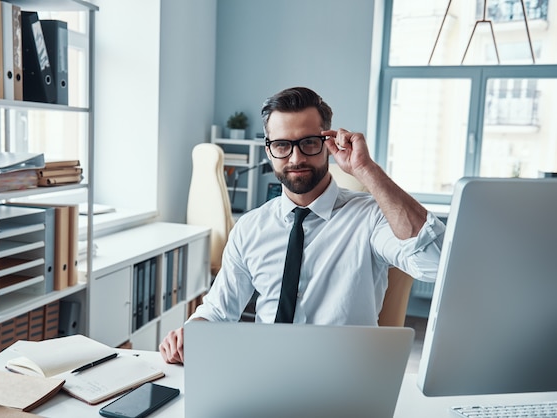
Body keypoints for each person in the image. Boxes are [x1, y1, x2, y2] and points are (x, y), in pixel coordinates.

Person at [160, 86, 445, 364]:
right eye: (282, 145)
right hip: (265, 378)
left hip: (345, 380)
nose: (296, 158)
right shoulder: (250, 228)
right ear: (269, 151)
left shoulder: (371, 217)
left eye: (309, 142)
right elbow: (218, 311)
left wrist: (366, 170)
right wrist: (190, 332)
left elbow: (434, 263)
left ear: (328, 144)